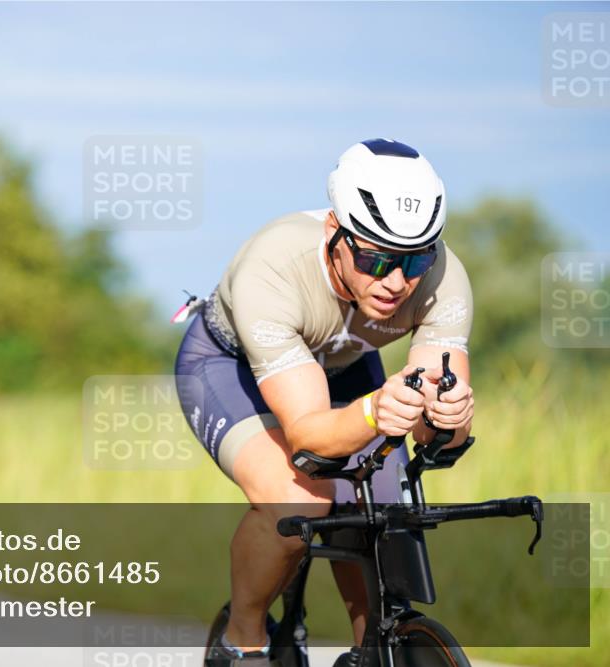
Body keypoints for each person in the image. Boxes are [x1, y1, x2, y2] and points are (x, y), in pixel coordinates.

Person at [174, 139, 475, 665]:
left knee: (385, 512)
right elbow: (310, 435)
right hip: (229, 366)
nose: (397, 281)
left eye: (415, 259)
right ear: (335, 231)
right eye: (376, 258)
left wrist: (448, 422)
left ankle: (373, 649)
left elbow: (437, 437)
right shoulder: (272, 267)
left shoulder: (444, 279)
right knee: (301, 499)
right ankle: (242, 639)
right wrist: (371, 411)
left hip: (345, 366)